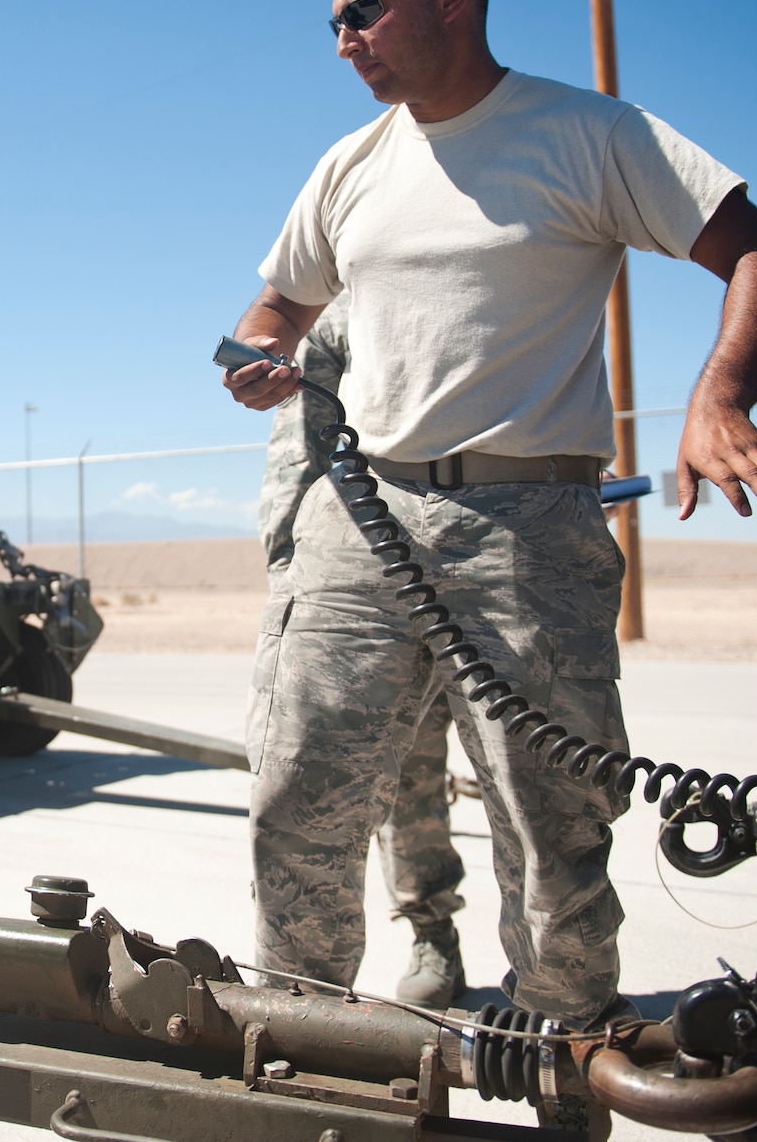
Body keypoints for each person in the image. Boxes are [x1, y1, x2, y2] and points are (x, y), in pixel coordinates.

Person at [222, 0, 757, 1046]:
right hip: (362, 510)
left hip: (523, 524)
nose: (343, 42)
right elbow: (274, 305)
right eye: (333, 22)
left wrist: (718, 396)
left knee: (550, 825)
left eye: (362, 12)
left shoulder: (586, 134)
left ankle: (559, 1053)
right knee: (297, 794)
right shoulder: (348, 166)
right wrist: (261, 352)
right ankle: (302, 1050)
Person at [255, 298, 468, 1005]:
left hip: (486, 557)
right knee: (344, 779)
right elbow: (299, 451)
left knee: (474, 774)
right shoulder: (339, 308)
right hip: (361, 572)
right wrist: (291, 567)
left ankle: (435, 930)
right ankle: (319, 997)